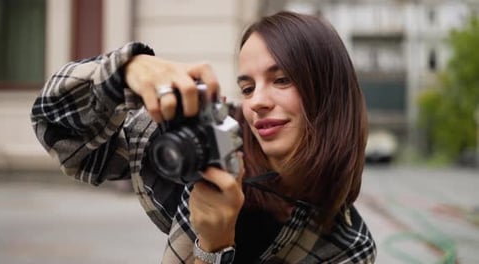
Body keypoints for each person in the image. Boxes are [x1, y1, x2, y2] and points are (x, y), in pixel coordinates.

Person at [31, 11, 376, 263]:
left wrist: (214, 246)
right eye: (247, 86)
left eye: (282, 79)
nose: (257, 101)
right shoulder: (204, 142)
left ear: (331, 91)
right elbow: (60, 132)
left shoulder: (348, 248)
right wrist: (127, 71)